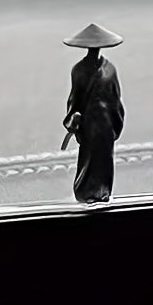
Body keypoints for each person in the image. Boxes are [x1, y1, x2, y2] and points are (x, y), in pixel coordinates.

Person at [62, 23, 125, 203]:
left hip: (105, 123)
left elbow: (115, 97)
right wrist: (73, 119)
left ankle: (102, 191)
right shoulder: (79, 70)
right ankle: (85, 192)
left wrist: (116, 122)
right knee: (88, 158)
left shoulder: (109, 69)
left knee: (104, 160)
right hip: (88, 124)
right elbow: (74, 99)